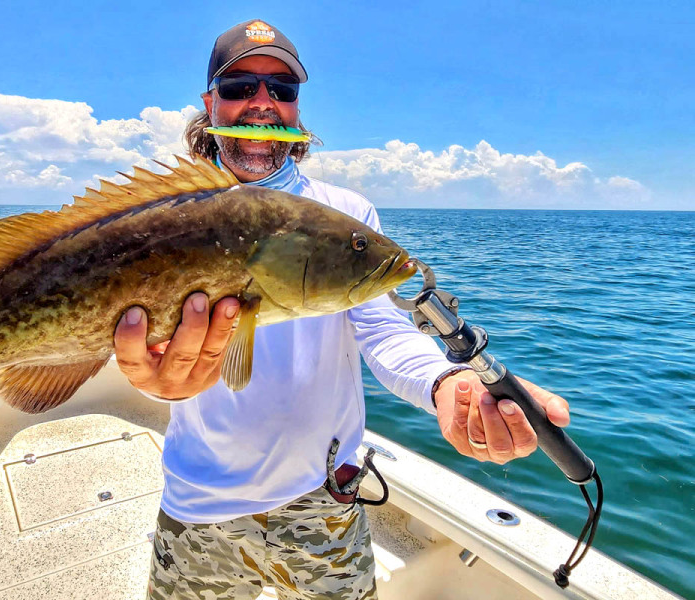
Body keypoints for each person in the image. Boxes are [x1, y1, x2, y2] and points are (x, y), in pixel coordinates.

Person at [113, 20, 572, 600]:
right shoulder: (166, 214)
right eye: (239, 87)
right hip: (196, 501)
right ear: (210, 104)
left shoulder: (346, 213)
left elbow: (382, 327)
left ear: (298, 106)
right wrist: (150, 374)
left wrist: (445, 381)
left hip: (323, 499)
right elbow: (127, 327)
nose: (262, 102)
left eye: (281, 89)